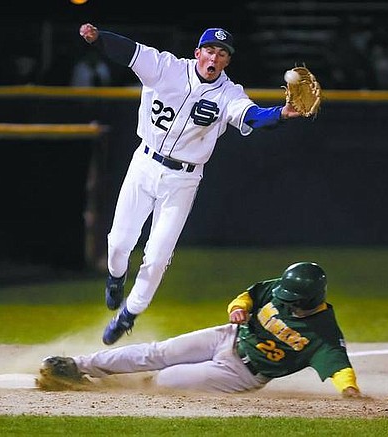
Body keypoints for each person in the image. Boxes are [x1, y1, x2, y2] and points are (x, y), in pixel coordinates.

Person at [78, 23, 305, 345]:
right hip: (144, 163)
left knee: (157, 255)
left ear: (227, 61)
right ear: (198, 53)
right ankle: (116, 277)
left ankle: (129, 313)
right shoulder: (166, 68)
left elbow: (252, 116)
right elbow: (129, 52)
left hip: (183, 179)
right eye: (210, 50)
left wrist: (281, 113)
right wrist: (98, 38)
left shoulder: (229, 93)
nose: (215, 57)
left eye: (222, 53)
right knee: (118, 242)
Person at [37, 262, 362, 398]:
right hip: (228, 335)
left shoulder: (324, 333)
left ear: (312, 299)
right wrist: (238, 308)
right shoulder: (281, 288)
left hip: (242, 373)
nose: (284, 302)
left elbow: (339, 366)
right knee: (158, 352)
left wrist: (349, 389)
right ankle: (77, 366)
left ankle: (96, 388)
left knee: (164, 381)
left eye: (292, 301)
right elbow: (249, 296)